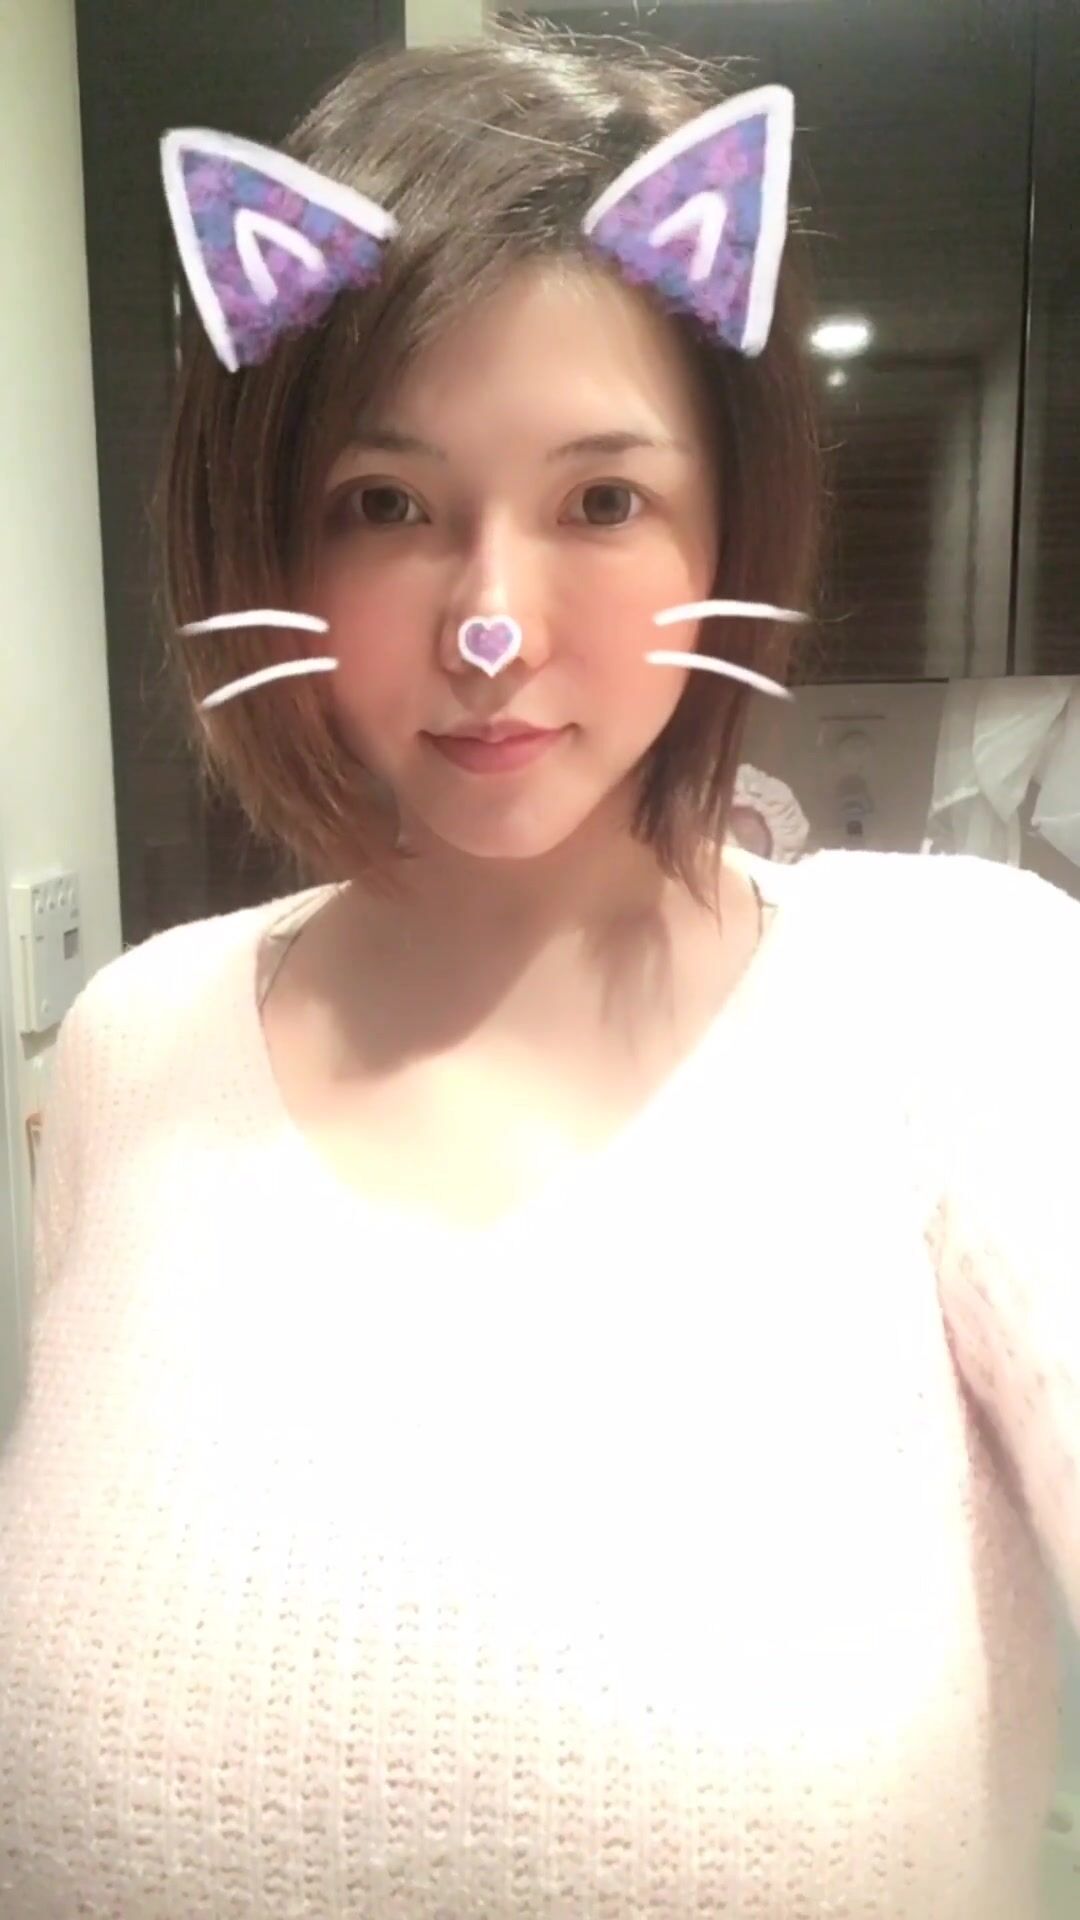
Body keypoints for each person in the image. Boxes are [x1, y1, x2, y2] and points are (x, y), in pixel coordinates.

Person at [1, 20, 1077, 1919]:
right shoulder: (125, 1052)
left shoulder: (965, 1014)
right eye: (388, 505)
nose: (492, 626)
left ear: (728, 513)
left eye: (601, 501)